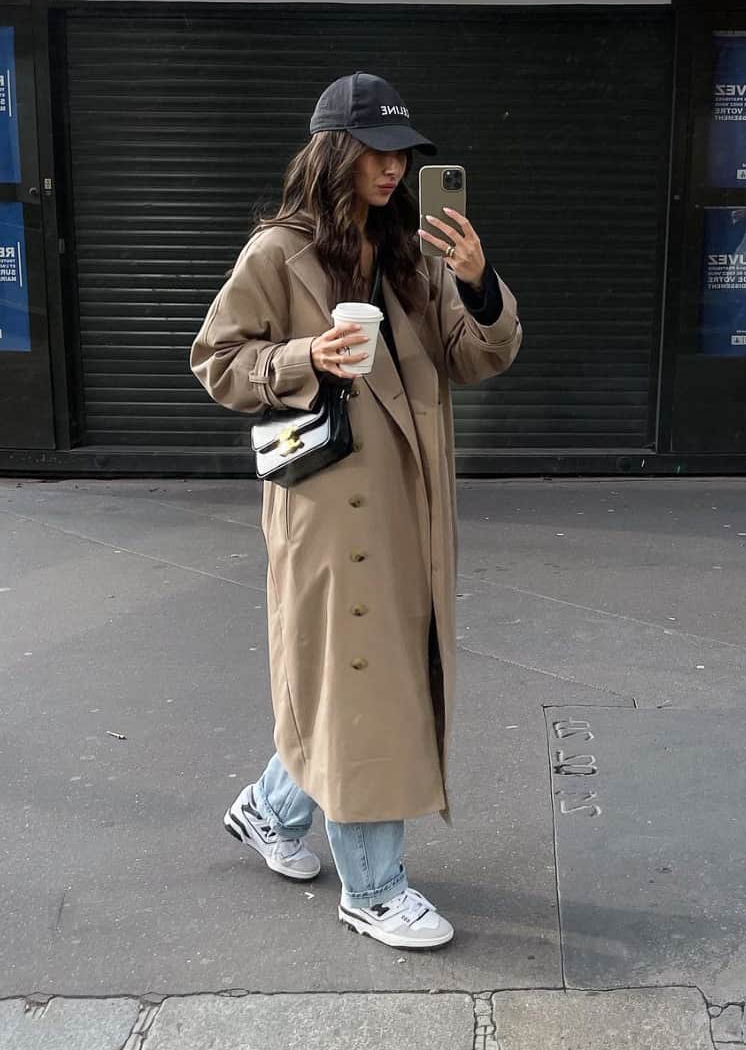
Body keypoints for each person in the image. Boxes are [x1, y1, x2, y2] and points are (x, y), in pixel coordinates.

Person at [190, 73, 521, 950]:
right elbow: (218, 361)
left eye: (402, 154)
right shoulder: (277, 252)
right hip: (330, 514)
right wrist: (307, 355)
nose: (392, 168)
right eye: (375, 151)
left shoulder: (412, 252)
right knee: (367, 684)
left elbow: (474, 355)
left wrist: (481, 285)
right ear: (333, 151)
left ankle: (270, 808)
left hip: (410, 513)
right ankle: (372, 890)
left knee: (364, 681)